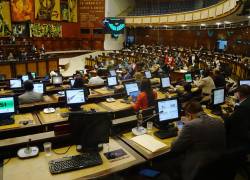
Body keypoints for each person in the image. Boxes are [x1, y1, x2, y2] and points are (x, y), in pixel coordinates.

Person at [170, 101, 226, 180]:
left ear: (189, 115)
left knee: (168, 162)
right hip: (217, 163)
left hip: (197, 167)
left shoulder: (190, 125)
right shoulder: (219, 121)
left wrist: (180, 134)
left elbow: (175, 147)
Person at [224, 85, 250, 153]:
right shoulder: (246, 102)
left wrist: (225, 116)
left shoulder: (243, 107)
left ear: (238, 94)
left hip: (240, 138)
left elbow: (230, 122)